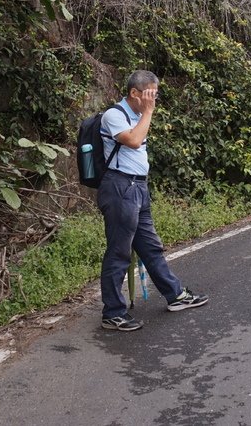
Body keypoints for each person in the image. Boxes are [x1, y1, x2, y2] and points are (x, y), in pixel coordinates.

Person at [97, 70, 208, 331]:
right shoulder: (114, 115)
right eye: (149, 95)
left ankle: (176, 295)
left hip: (138, 188)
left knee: (151, 247)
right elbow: (133, 141)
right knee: (119, 252)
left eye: (155, 96)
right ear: (134, 93)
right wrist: (148, 112)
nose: (153, 101)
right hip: (120, 188)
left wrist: (144, 112)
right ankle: (113, 312)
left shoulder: (137, 115)